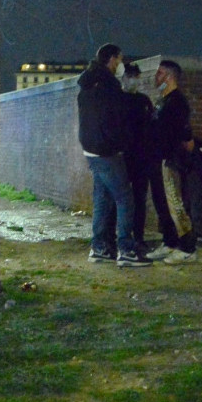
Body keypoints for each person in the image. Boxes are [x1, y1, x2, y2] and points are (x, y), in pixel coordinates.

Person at [77, 44, 151, 268]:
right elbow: (113, 120)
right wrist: (120, 142)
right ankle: (126, 249)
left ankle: (99, 247)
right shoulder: (108, 87)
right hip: (107, 150)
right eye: (119, 59)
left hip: (91, 148)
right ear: (111, 60)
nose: (121, 64)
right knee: (124, 198)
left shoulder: (88, 84)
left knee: (102, 197)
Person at [147, 59, 198, 264]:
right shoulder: (164, 100)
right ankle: (169, 242)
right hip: (158, 159)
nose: (156, 77)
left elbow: (184, 133)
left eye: (159, 73)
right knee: (162, 204)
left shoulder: (177, 102)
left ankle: (187, 248)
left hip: (170, 160)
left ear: (168, 76)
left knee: (175, 203)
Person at [122, 63, 177, 252]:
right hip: (125, 157)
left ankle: (138, 237)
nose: (133, 80)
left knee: (139, 199)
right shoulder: (118, 100)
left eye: (136, 76)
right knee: (122, 199)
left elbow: (153, 124)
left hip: (143, 158)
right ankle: (122, 237)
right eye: (131, 76)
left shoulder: (144, 101)